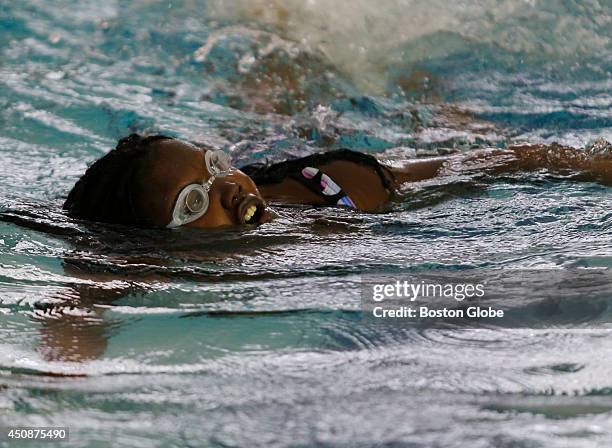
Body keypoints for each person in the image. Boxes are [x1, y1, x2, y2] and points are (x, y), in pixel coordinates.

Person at [63, 134, 612, 228]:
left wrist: (589, 164)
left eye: (212, 165)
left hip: (297, 153)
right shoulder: (157, 265)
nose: (227, 187)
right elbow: (84, 297)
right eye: (192, 200)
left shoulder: (341, 184)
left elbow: (489, 162)